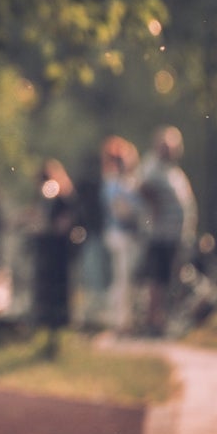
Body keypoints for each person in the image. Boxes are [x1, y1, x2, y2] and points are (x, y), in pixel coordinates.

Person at [136, 126, 197, 336]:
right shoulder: (152, 166)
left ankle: (163, 320)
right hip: (160, 234)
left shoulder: (173, 171)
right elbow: (142, 188)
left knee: (170, 279)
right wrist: (155, 209)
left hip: (175, 234)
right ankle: (153, 321)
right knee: (157, 279)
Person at [21, 158, 79, 355]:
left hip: (56, 254)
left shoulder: (60, 197)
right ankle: (43, 334)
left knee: (55, 295)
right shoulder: (45, 197)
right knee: (44, 294)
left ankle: (54, 338)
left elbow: (63, 223)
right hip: (47, 252)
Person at [99, 135, 143, 333]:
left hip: (130, 235)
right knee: (123, 279)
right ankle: (121, 321)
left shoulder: (129, 182)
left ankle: (127, 319)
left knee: (129, 280)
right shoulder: (113, 183)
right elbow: (120, 210)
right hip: (120, 235)